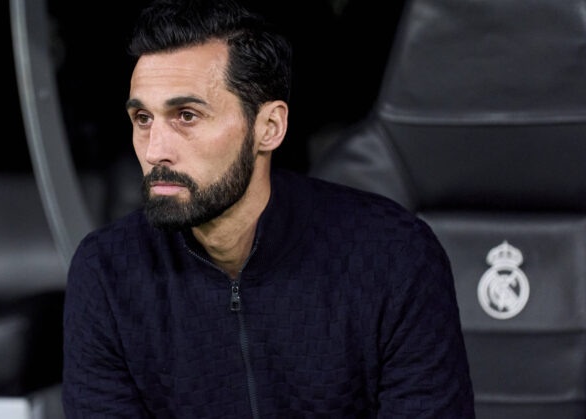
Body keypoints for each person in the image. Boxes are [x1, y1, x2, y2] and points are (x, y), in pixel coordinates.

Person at [63, 0, 474, 417]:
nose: (155, 151)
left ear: (269, 128)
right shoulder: (108, 271)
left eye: (186, 116)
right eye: (143, 118)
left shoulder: (392, 255)